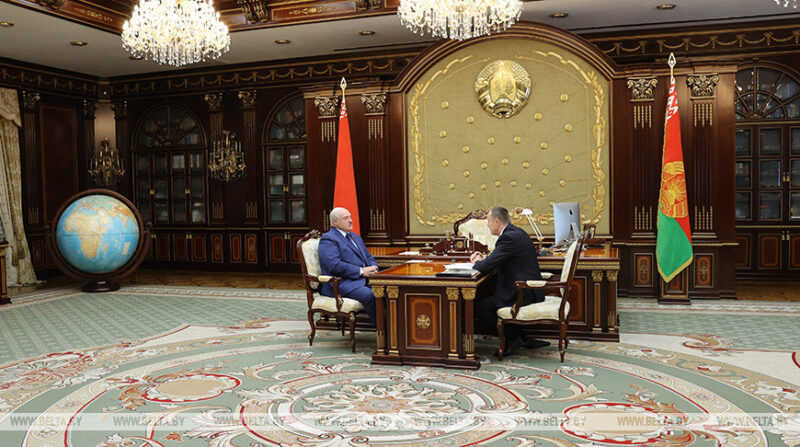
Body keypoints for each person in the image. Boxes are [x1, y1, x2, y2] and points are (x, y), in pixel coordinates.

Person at [470, 206, 548, 356]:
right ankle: (521, 336)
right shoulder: (516, 232)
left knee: (480, 307)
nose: (488, 225)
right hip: (529, 289)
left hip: (522, 292)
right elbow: (500, 258)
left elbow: (484, 267)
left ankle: (511, 338)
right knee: (489, 300)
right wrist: (486, 259)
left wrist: (477, 261)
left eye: (489, 222)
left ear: (497, 221)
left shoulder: (508, 238)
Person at [318, 207, 379, 323]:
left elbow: (369, 257)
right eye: (346, 218)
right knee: (371, 295)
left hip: (364, 280)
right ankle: (382, 329)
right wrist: (361, 271)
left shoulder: (355, 237)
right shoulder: (328, 239)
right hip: (343, 283)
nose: (350, 220)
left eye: (350, 217)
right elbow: (334, 265)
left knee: (388, 291)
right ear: (335, 222)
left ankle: (393, 326)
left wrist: (373, 267)